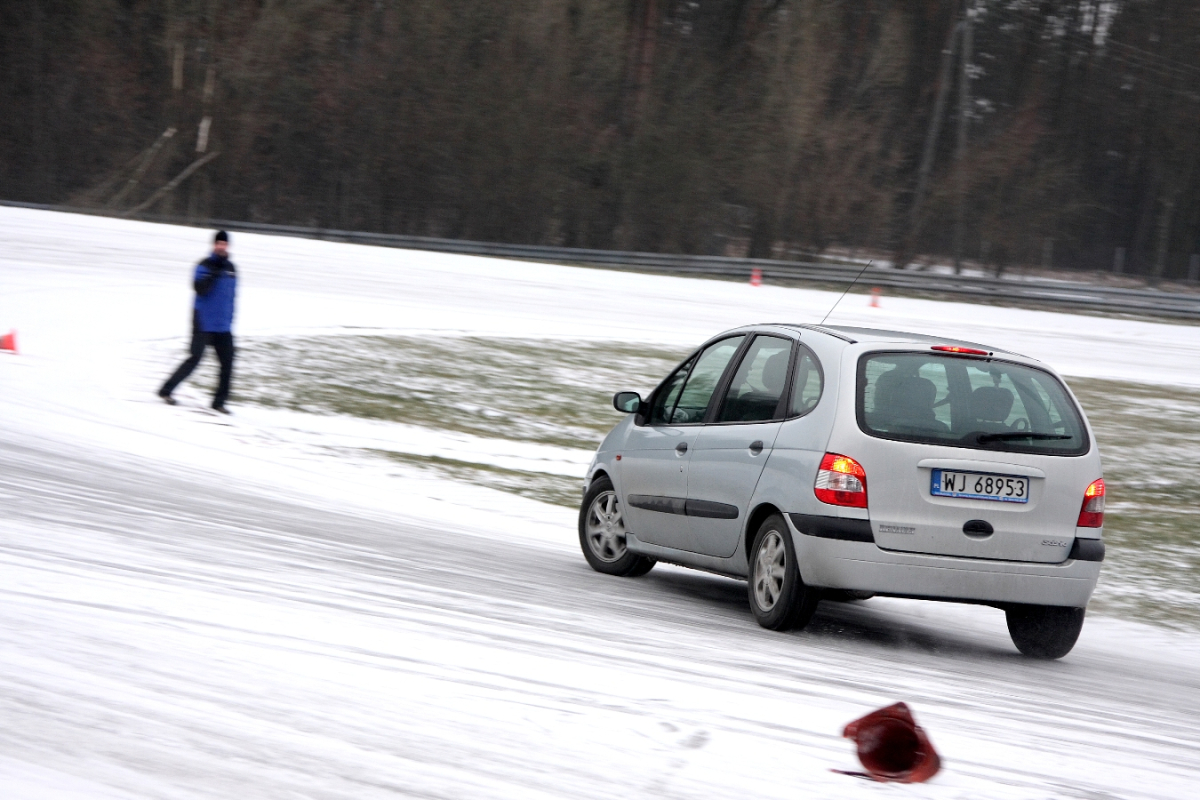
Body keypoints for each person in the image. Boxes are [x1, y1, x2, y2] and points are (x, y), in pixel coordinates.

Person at [158, 230, 238, 413]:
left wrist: (230, 318)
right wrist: (213, 274)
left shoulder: (232, 268)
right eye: (219, 243)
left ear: (228, 246)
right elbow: (199, 289)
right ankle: (166, 390)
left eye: (224, 244)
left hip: (223, 326)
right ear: (214, 245)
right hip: (203, 322)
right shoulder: (203, 265)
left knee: (228, 363)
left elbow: (232, 296)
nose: (221, 246)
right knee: (194, 359)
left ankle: (219, 403)